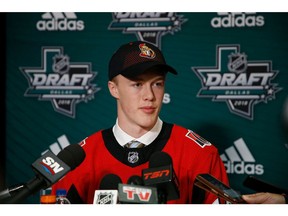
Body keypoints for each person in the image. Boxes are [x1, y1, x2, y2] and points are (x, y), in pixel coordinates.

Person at [51, 40, 229, 204]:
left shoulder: (200, 155)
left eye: (157, 84)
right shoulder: (80, 160)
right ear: (114, 89)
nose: (150, 96)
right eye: (137, 84)